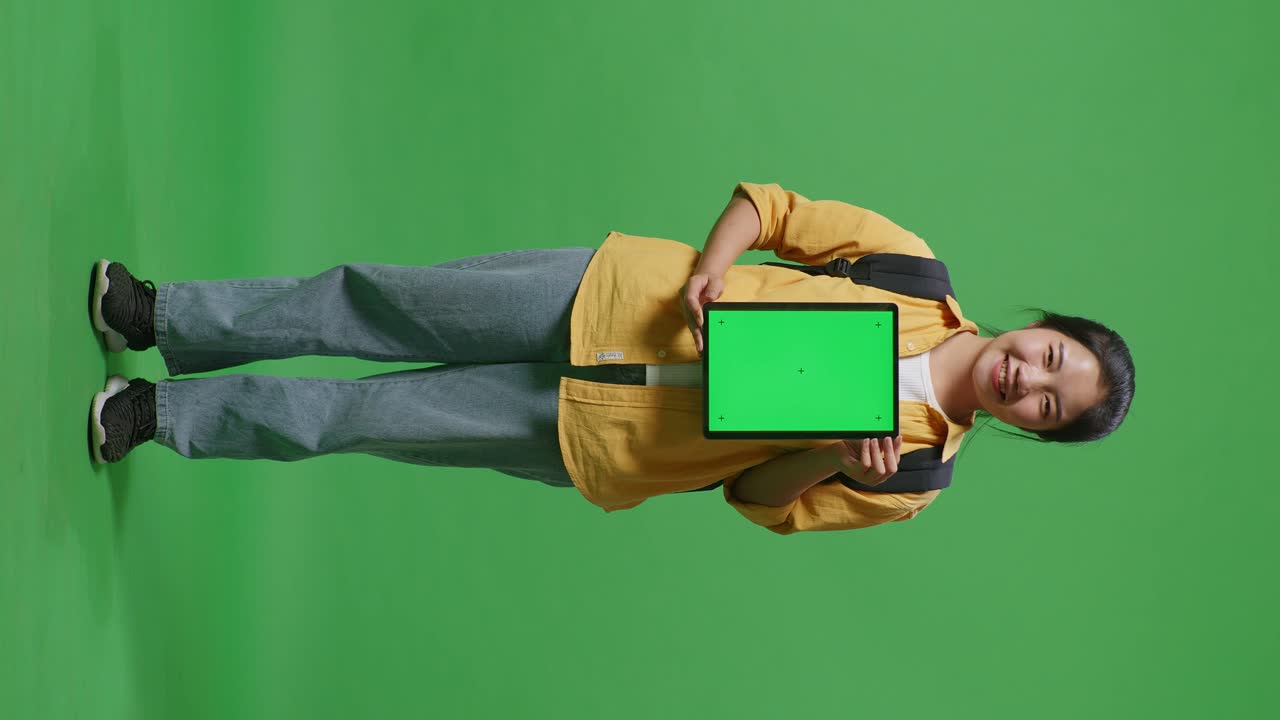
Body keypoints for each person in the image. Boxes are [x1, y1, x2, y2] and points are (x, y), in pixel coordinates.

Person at [87, 182, 1135, 535]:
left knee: (358, 420)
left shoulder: (913, 478)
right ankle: (163, 316)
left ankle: (159, 417)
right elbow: (770, 206)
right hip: (605, 296)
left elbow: (755, 502)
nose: (1028, 379)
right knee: (371, 302)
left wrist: (826, 453)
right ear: (1040, 328)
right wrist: (711, 273)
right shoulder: (911, 271)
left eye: (1048, 403)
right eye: (1050, 357)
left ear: (1031, 428)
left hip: (600, 438)